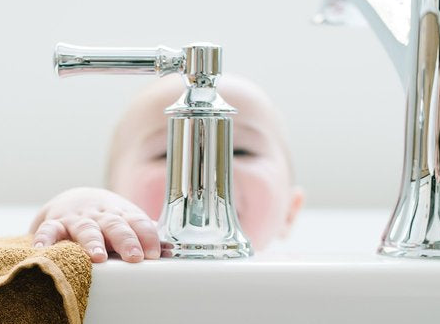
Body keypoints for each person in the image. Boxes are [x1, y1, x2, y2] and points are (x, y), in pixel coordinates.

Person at [30, 74, 303, 262]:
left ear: (290, 212)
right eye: (167, 154)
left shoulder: (300, 279)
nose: (204, 171)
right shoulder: (108, 251)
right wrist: (81, 205)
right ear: (115, 198)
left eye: (240, 151)